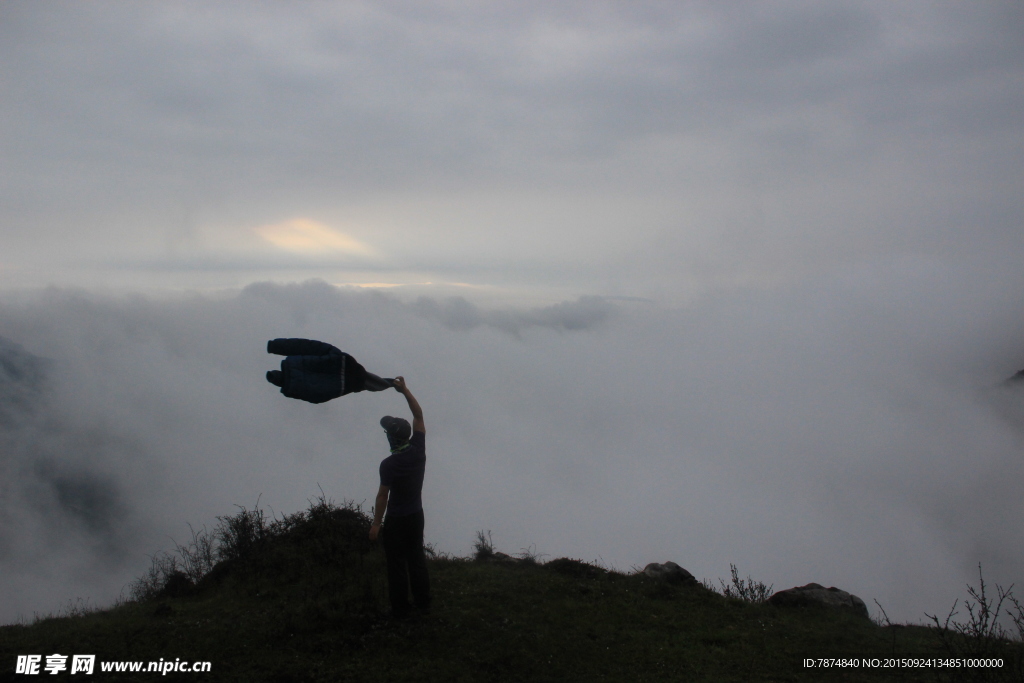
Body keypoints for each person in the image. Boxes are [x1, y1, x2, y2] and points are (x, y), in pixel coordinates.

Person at [370, 376, 431, 618]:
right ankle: (423, 603)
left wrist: (376, 524)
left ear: (391, 438)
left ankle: (400, 609)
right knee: (416, 558)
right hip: (417, 515)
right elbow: (419, 416)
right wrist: (405, 391)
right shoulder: (418, 451)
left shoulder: (389, 465)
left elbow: (383, 496)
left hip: (396, 520)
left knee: (396, 565)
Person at [265, 338, 394, 404]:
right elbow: (315, 398)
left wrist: (276, 346)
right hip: (292, 386)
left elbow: (306, 346)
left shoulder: (341, 359)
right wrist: (288, 386)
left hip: (294, 376)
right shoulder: (340, 389)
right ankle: (278, 379)